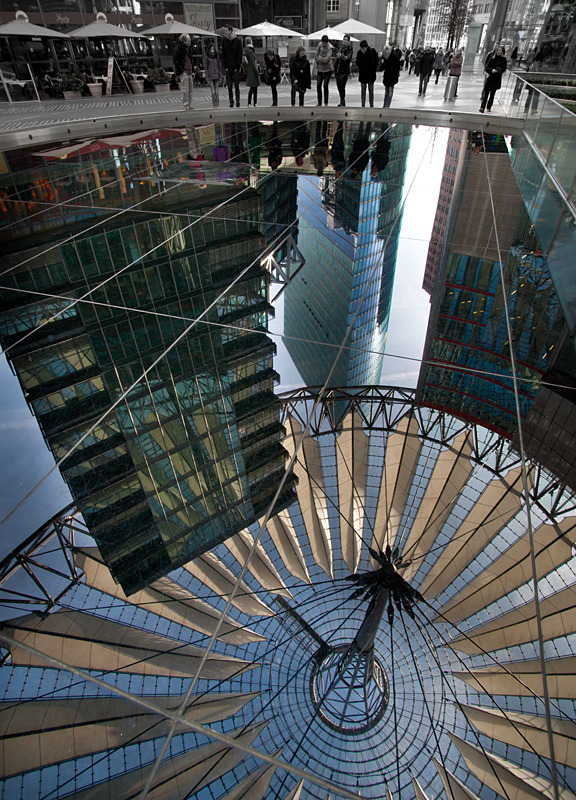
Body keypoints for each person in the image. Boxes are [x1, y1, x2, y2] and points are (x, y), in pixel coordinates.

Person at [480, 44, 507, 112]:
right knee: (486, 93)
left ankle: (489, 107)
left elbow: (504, 68)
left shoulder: (503, 59)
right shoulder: (492, 58)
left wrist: (499, 70)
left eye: (500, 50)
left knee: (492, 94)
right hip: (490, 77)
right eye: (497, 50)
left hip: (497, 78)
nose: (498, 51)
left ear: (502, 51)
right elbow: (487, 67)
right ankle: (482, 107)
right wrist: (491, 70)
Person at [222, 25, 243, 108]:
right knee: (229, 86)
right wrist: (225, 67)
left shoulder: (237, 41)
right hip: (228, 67)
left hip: (235, 67)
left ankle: (238, 101)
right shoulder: (224, 41)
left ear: (230, 31)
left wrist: (237, 67)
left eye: (226, 30)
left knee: (236, 86)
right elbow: (223, 54)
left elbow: (239, 54)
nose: (225, 32)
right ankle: (231, 101)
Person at [173, 33, 195, 110]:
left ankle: (190, 104)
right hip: (184, 72)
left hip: (189, 71)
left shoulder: (188, 49)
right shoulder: (179, 49)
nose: (190, 42)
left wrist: (193, 71)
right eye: (188, 41)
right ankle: (186, 105)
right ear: (184, 41)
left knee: (190, 90)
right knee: (185, 90)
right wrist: (181, 71)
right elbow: (175, 61)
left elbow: (191, 60)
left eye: (190, 40)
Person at [356, 40, 378, 107]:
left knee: (371, 90)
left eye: (364, 48)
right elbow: (357, 62)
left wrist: (372, 68)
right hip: (363, 74)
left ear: (366, 47)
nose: (363, 50)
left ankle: (371, 104)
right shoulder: (359, 53)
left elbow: (376, 62)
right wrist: (361, 66)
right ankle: (363, 104)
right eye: (361, 48)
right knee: (363, 89)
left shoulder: (372, 51)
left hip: (370, 74)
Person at [334, 34, 353, 106]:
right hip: (338, 70)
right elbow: (336, 57)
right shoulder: (340, 48)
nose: (344, 41)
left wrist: (341, 56)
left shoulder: (349, 49)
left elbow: (347, 58)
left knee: (342, 86)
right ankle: (342, 99)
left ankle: (342, 100)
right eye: (344, 39)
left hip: (344, 71)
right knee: (338, 86)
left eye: (346, 40)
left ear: (348, 41)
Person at [315, 34, 333, 106]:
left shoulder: (329, 48)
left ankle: (326, 102)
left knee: (325, 85)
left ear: (327, 42)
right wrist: (320, 58)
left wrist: (320, 58)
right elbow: (315, 55)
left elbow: (327, 59)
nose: (324, 44)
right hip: (320, 69)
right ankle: (319, 101)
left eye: (325, 43)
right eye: (323, 42)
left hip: (327, 70)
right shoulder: (319, 45)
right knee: (318, 85)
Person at [244, 36, 260, 107]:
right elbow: (253, 63)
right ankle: (252, 102)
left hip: (251, 71)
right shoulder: (250, 51)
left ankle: (252, 102)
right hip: (253, 71)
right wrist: (257, 72)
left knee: (253, 87)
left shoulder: (248, 50)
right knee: (253, 88)